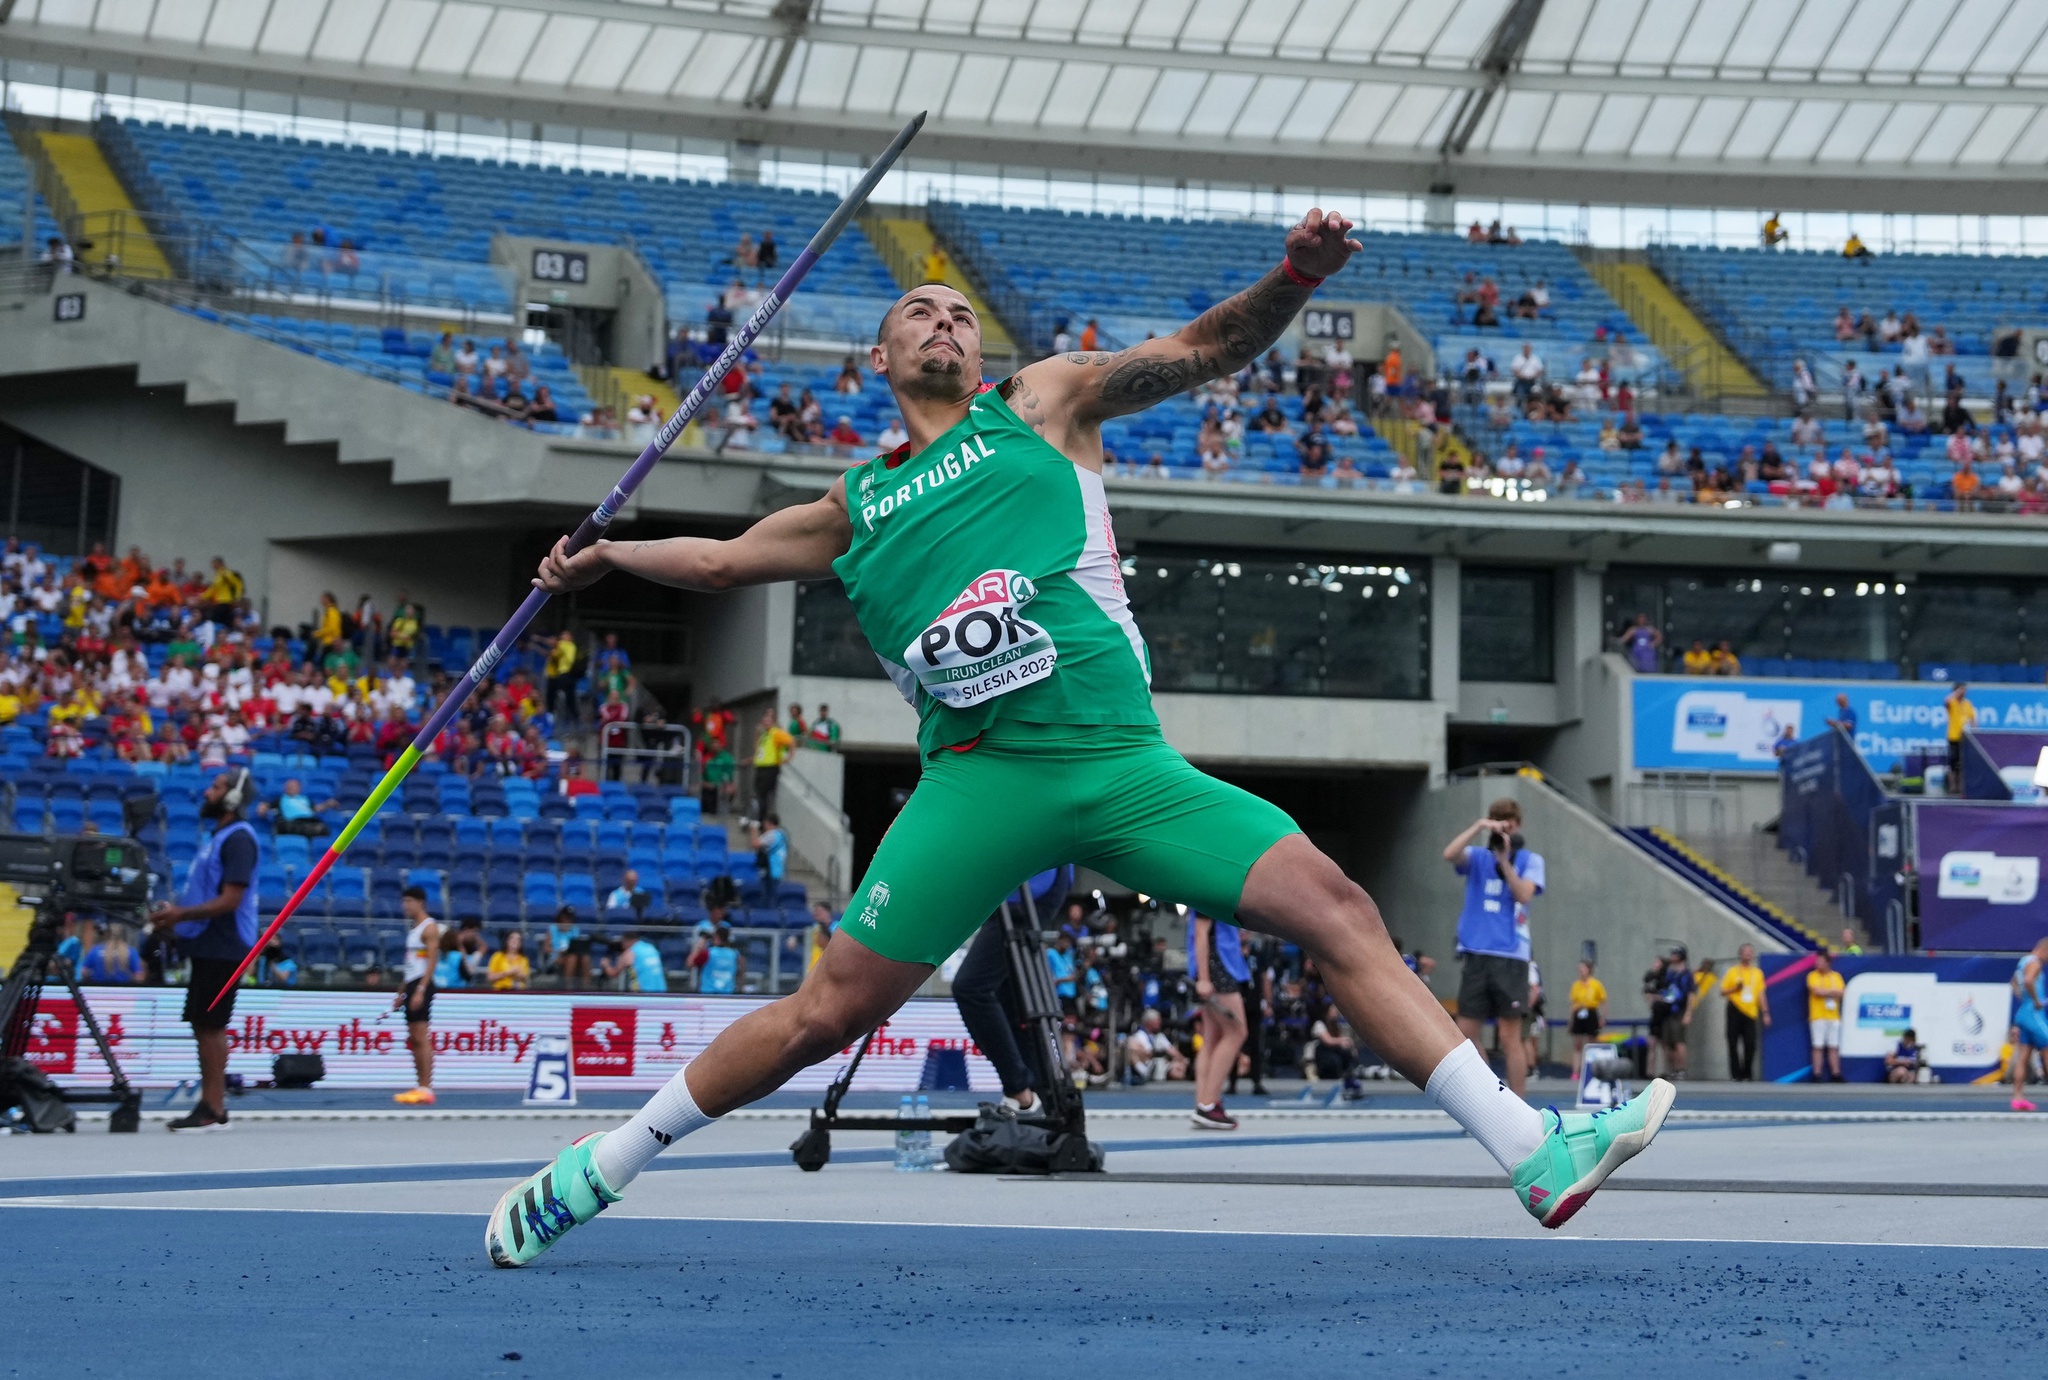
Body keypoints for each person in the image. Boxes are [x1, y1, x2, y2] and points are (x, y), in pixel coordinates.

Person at [489, 210, 1674, 1267]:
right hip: (976, 781)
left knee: (1337, 905)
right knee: (826, 1014)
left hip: (1121, 767)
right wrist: (606, 555)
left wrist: (1294, 280)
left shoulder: (1042, 403)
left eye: (960, 312)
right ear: (884, 358)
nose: (945, 322)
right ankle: (602, 1165)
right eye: (920, 311)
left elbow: (1202, 351)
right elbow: (719, 560)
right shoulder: (855, 503)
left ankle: (1528, 1147)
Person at [149, 769, 261, 1132]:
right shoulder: (219, 837)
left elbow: (231, 899)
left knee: (211, 1026)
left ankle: (213, 1107)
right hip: (209, 942)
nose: (207, 792)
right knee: (203, 1024)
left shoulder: (239, 839)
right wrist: (178, 920)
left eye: (216, 787)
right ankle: (212, 1106)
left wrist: (180, 914)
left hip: (225, 944)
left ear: (232, 798)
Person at [1442, 799, 1544, 1097]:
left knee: (1510, 1036)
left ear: (1518, 825)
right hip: (1476, 953)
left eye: (1509, 822)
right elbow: (1449, 854)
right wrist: (1479, 827)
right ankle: (1490, 1097)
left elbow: (1524, 894)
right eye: (1499, 821)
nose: (1505, 827)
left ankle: (1521, 1107)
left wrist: (1505, 861)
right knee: (1465, 1035)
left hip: (1510, 956)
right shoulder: (1476, 857)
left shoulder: (1530, 859)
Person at [1188, 909, 1250, 1130]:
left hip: (1217, 965)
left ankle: (1203, 1104)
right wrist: (1204, 978)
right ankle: (1208, 1104)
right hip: (1218, 966)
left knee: (1213, 1037)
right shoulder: (1208, 885)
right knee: (1237, 1031)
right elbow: (1200, 931)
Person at [389, 886, 441, 1105]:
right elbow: (410, 965)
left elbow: (431, 961)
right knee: (414, 1038)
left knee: (421, 1036)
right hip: (411, 983)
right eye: (404, 902)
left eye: (409, 901)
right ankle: (420, 1084)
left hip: (421, 984)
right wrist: (401, 992)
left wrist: (420, 989)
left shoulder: (429, 928)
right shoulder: (413, 930)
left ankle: (427, 1086)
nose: (405, 906)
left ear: (420, 902)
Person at [1719, 943, 1768, 1082]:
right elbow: (1722, 991)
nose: (1747, 954)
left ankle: (1747, 1073)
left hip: (1750, 1011)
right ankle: (1736, 1074)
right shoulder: (1732, 972)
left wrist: (1765, 1012)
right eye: (1745, 952)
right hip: (1735, 1009)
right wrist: (1735, 988)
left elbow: (1761, 993)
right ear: (1740, 954)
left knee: (1750, 1044)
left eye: (1750, 952)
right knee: (1733, 1042)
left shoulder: (1757, 973)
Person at [2010, 937, 2048, 1112]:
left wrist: (2023, 999)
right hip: (2034, 1014)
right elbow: (2028, 981)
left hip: (2023, 1014)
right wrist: (2036, 1001)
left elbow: (2014, 983)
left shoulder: (2022, 961)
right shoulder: (2036, 963)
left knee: (2023, 1058)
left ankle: (2018, 1098)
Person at [1648, 945, 1695, 1079]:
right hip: (1667, 1011)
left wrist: (1688, 1013)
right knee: (1667, 1042)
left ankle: (1681, 1069)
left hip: (1679, 1010)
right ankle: (1672, 1068)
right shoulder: (1670, 973)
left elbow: (1691, 995)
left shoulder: (1686, 974)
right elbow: (1666, 991)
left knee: (1678, 1041)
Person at [1807, 947, 1846, 1083]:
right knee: (1817, 1046)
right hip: (1818, 1016)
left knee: (1833, 1046)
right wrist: (1832, 992)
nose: (1817, 964)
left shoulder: (1836, 976)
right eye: (1817, 961)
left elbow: (1842, 993)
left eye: (1820, 961)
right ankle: (1817, 1074)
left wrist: (1827, 992)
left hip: (1833, 1016)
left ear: (1827, 962)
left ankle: (1836, 1073)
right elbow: (1816, 991)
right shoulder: (1812, 976)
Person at [750, 708, 794, 817]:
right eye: (764, 721)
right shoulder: (765, 734)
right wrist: (756, 734)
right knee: (759, 795)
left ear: (773, 722)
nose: (765, 723)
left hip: (770, 768)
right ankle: (758, 818)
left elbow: (791, 741)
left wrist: (789, 757)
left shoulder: (776, 733)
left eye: (768, 721)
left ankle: (761, 819)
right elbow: (757, 749)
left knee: (762, 795)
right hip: (760, 767)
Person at [1566, 959, 1605, 1081]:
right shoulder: (1576, 985)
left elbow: (1603, 1001)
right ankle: (1576, 1071)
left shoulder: (1596, 984)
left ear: (1589, 970)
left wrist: (1602, 1017)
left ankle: (1592, 1069)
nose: (1581, 971)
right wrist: (1571, 1020)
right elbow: (1573, 1004)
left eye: (1583, 968)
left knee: (1592, 1042)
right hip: (1579, 1013)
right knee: (1577, 1044)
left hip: (1591, 1012)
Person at [545, 904, 590, 991]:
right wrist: (558, 951)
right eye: (566, 918)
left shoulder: (575, 929)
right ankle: (568, 987)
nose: (567, 921)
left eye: (570, 919)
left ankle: (586, 987)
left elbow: (578, 945)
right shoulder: (552, 929)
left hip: (572, 955)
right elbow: (546, 948)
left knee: (584, 957)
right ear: (561, 918)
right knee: (572, 957)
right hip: (557, 956)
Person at [1943, 682, 1974, 794]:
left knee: (1963, 764)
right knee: (1953, 763)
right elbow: (1946, 701)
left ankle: (1962, 787)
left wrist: (1975, 732)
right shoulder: (1952, 702)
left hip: (1965, 738)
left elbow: (1972, 719)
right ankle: (1953, 786)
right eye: (1961, 690)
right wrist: (1956, 693)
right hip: (1953, 737)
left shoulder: (1967, 704)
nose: (1964, 692)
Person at [699, 924, 741, 995]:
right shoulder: (734, 954)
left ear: (716, 937)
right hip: (727, 993)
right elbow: (740, 972)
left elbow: (690, 963)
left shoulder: (708, 953)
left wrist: (703, 940)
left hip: (708, 992)